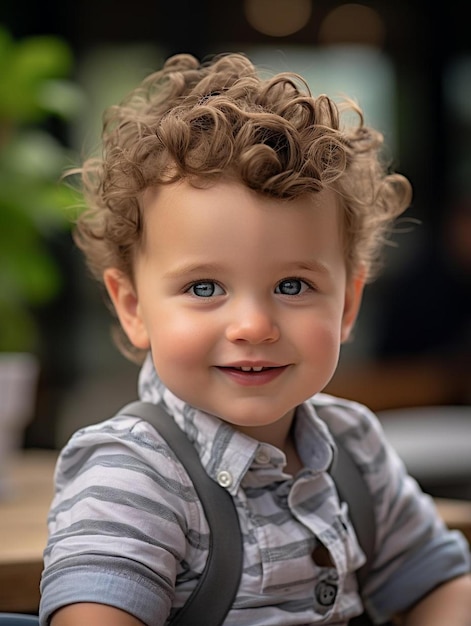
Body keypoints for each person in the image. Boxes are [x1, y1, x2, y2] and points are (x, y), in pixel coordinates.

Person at [39, 52, 471, 625]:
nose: (254, 326)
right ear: (133, 307)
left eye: (292, 285)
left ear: (348, 304)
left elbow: (441, 585)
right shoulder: (134, 473)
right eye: (204, 287)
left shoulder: (355, 450)